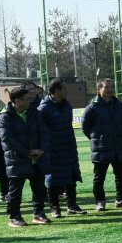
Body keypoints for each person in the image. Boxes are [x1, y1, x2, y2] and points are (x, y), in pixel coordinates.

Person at [0, 85, 50, 227]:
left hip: (37, 159)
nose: (30, 101)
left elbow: (44, 132)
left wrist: (42, 151)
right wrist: (27, 153)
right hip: (17, 160)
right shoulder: (4, 117)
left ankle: (39, 213)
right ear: (17, 101)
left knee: (39, 188)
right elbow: (8, 140)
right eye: (27, 99)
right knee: (15, 192)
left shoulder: (34, 113)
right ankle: (15, 217)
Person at [81, 77, 122, 210]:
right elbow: (85, 127)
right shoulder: (92, 107)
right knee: (99, 177)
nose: (110, 90)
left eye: (111, 87)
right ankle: (100, 201)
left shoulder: (119, 105)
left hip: (118, 147)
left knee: (121, 175)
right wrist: (97, 139)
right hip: (101, 148)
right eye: (106, 87)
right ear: (99, 90)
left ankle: (121, 199)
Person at [37, 80, 86, 216]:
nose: (67, 91)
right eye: (65, 88)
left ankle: (72, 206)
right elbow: (41, 131)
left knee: (71, 177)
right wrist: (47, 147)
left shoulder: (67, 106)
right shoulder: (44, 108)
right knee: (53, 179)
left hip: (68, 148)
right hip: (53, 150)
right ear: (57, 91)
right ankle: (55, 208)